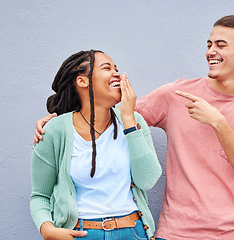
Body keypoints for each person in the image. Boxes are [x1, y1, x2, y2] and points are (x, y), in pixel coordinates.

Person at [34, 15, 234, 240]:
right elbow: (112, 117)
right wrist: (58, 118)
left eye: (221, 45)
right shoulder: (176, 95)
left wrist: (218, 122)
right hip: (174, 233)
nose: (210, 52)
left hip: (233, 233)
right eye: (209, 44)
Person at [30, 50, 162, 240]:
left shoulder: (133, 120)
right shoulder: (55, 131)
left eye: (117, 68)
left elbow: (147, 180)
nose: (116, 73)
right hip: (81, 234)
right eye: (107, 68)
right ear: (82, 81)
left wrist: (128, 119)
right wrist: (47, 229)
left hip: (133, 232)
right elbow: (40, 196)